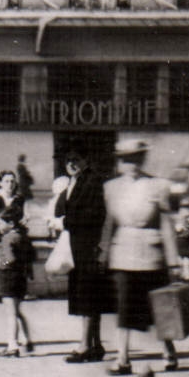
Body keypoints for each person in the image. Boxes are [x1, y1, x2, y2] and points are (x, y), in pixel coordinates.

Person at [98, 139, 181, 375]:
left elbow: (166, 225)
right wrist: (102, 255)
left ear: (143, 159)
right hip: (123, 255)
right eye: (125, 159)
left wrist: (173, 261)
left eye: (136, 158)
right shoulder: (111, 188)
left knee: (160, 307)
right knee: (124, 308)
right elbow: (108, 224)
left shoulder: (158, 185)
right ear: (119, 161)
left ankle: (169, 351)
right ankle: (123, 359)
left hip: (153, 255)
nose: (131, 163)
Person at [54, 152, 111, 363]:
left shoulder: (92, 180)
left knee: (88, 296)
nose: (72, 164)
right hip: (78, 247)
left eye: (76, 159)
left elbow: (94, 214)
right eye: (68, 160)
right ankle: (95, 344)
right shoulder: (74, 182)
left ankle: (85, 346)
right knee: (88, 296)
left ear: (86, 160)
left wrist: (65, 221)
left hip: (88, 246)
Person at [0, 169, 36, 357]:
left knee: (10, 306)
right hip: (7, 248)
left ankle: (12, 345)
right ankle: (27, 341)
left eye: (13, 181)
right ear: (0, 182)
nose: (10, 184)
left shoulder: (19, 200)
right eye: (6, 181)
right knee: (14, 306)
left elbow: (22, 223)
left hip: (9, 259)